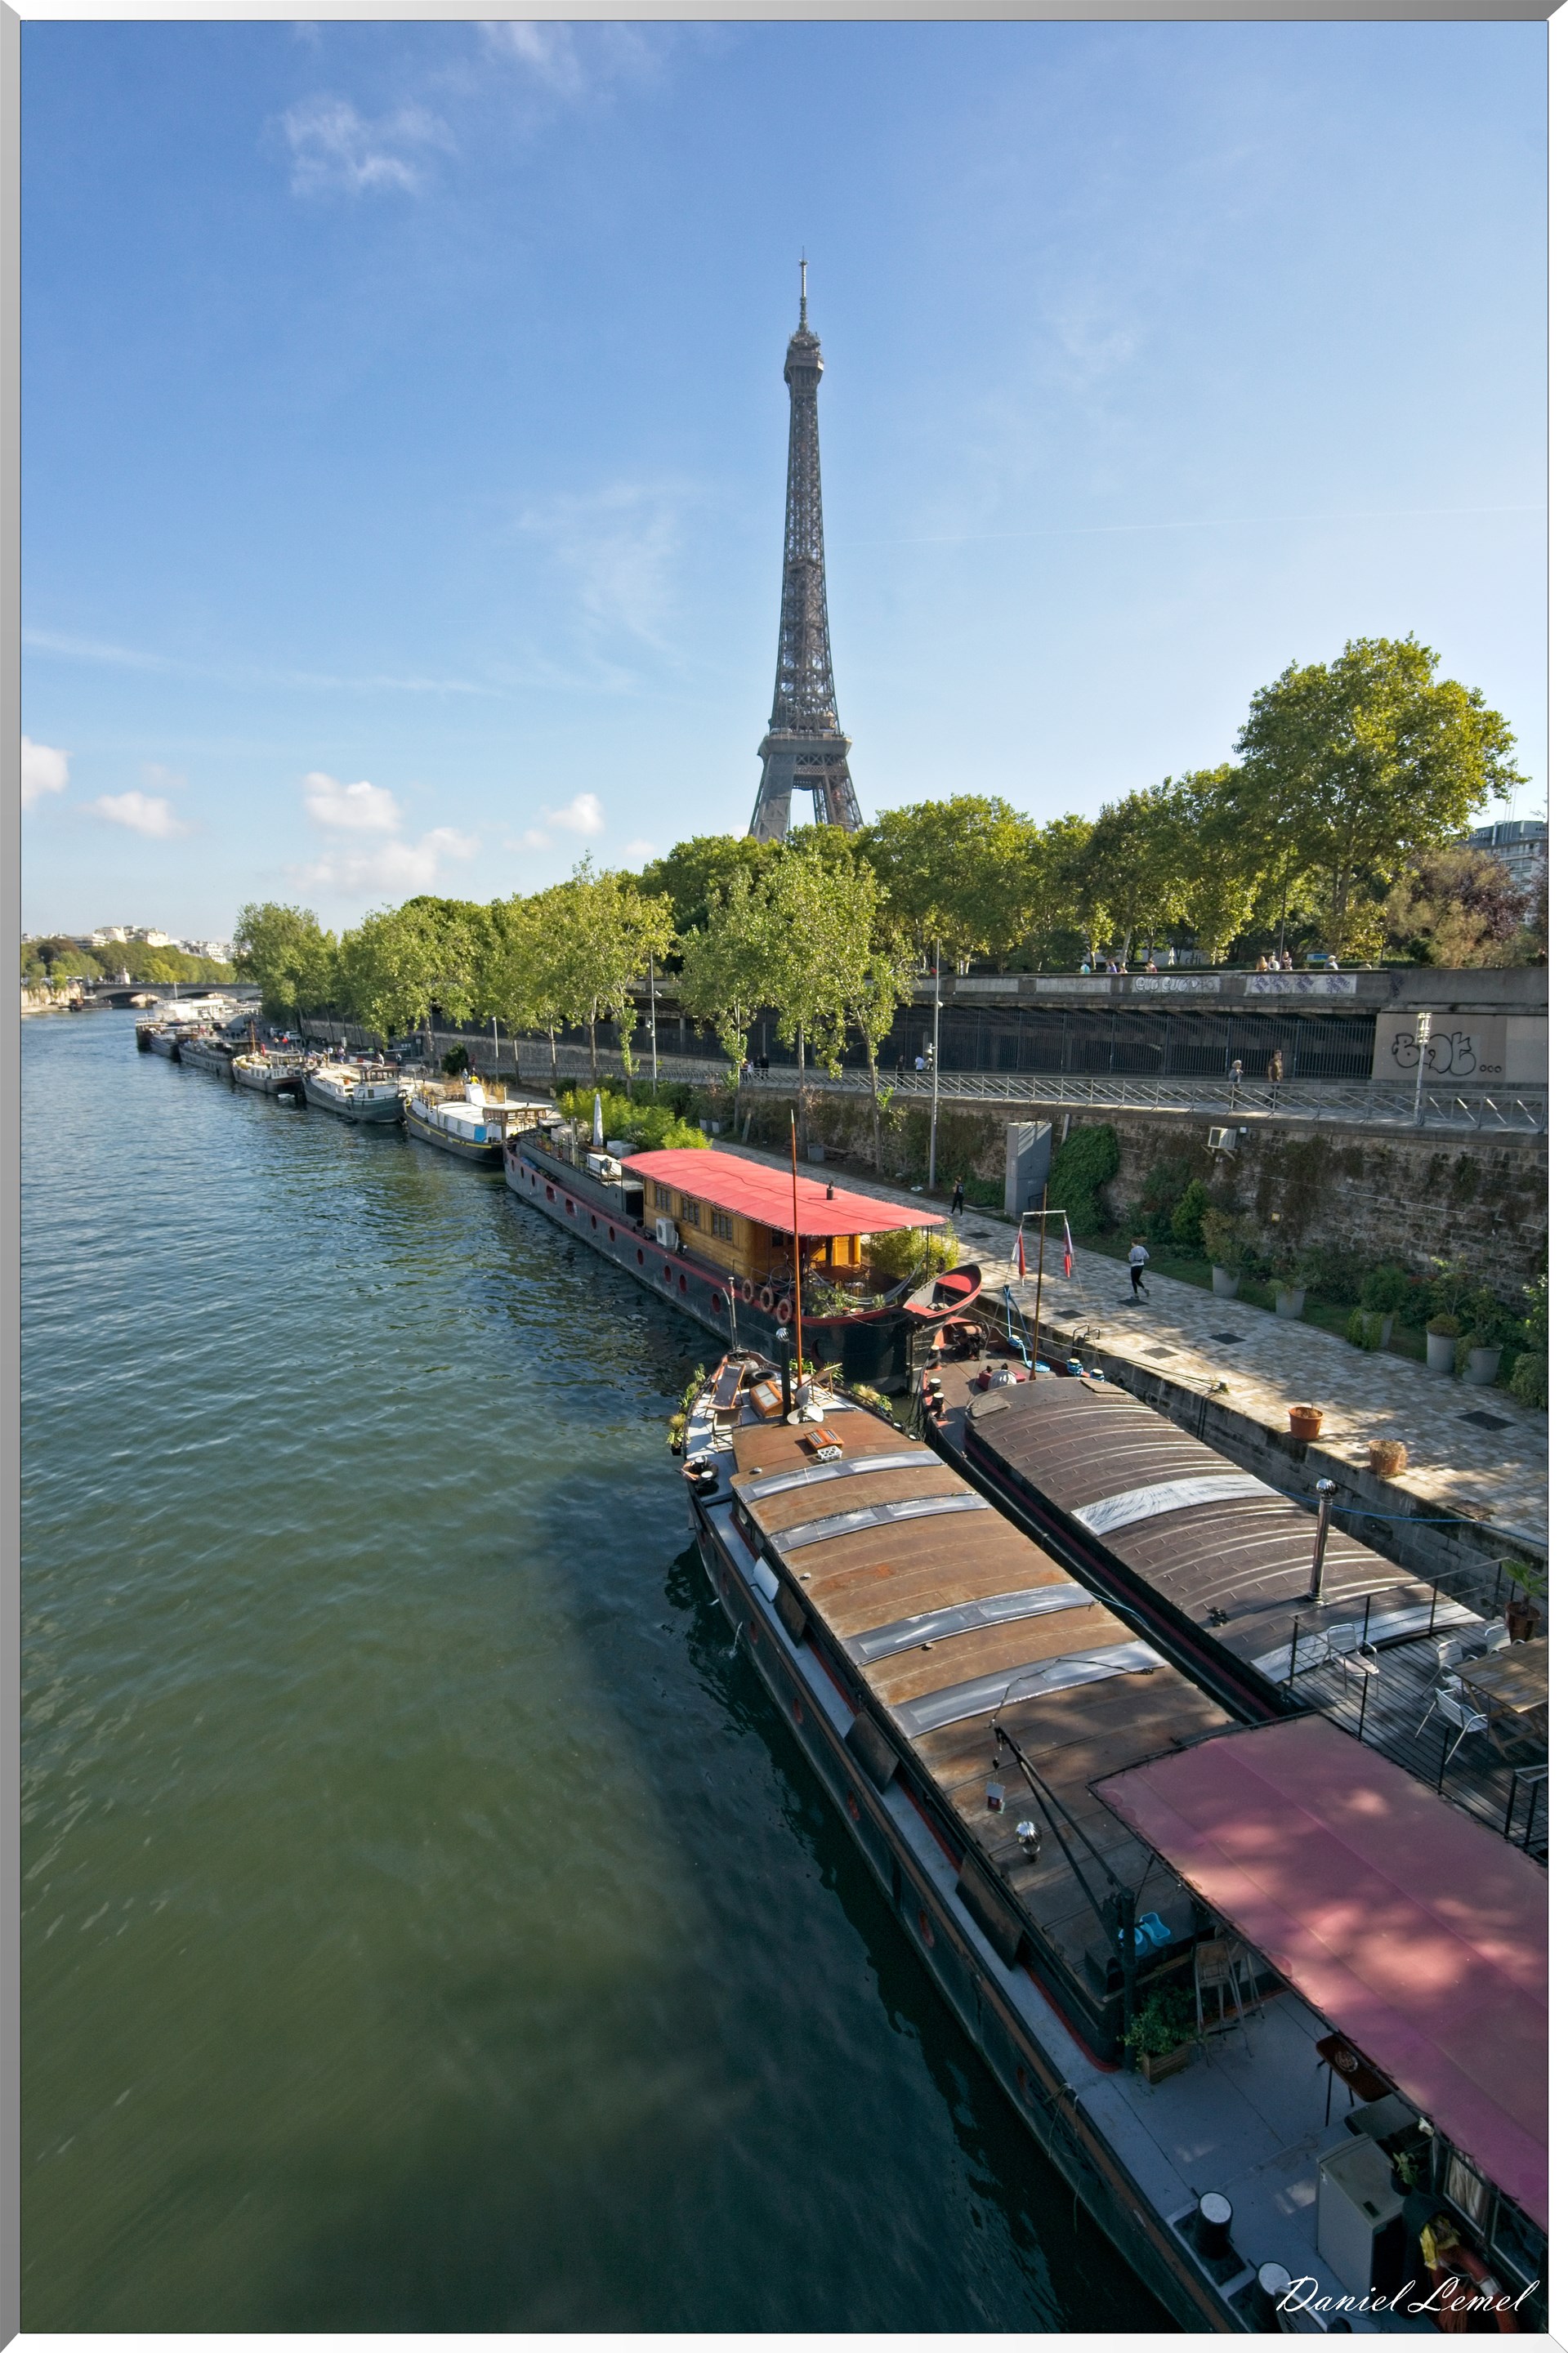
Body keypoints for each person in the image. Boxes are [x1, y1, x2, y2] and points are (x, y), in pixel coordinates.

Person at [1128, 1238, 1150, 1302]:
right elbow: (1147, 1256)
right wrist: (1141, 1258)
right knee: (1137, 1279)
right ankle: (1144, 1289)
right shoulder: (1142, 1248)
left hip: (1135, 1266)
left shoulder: (1133, 1250)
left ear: (1133, 1243)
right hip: (1141, 1265)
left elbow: (1131, 1260)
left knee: (1133, 1280)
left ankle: (1136, 1294)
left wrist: (1129, 1255)